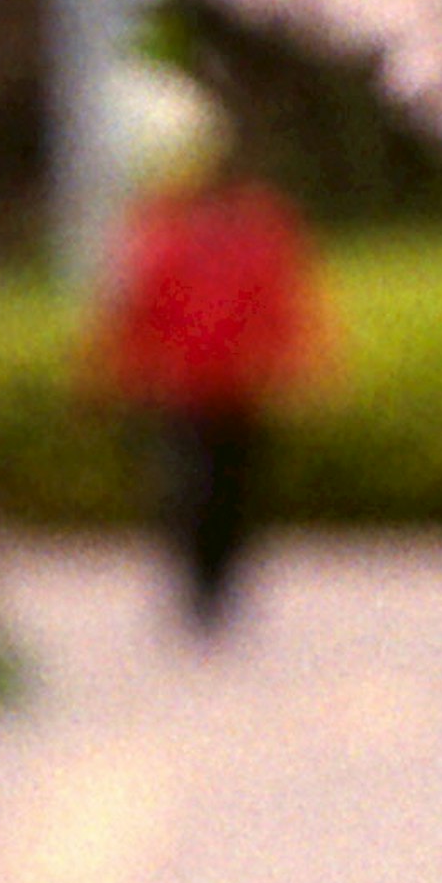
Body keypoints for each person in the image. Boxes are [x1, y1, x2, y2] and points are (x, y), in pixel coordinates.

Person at [93, 122, 321, 632]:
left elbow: (281, 300)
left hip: (234, 382)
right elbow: (138, 305)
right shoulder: (168, 228)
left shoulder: (246, 227)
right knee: (199, 489)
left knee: (226, 491)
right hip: (191, 383)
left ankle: (216, 588)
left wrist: (292, 362)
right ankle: (202, 589)